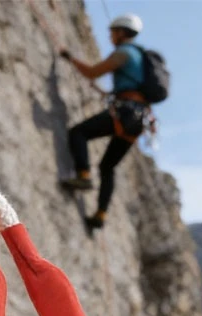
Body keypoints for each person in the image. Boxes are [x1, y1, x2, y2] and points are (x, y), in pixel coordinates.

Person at [59, 13, 149, 231]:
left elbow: (93, 72)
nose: (110, 37)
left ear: (121, 32)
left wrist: (70, 58)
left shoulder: (124, 53)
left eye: (112, 32)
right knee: (108, 166)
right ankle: (100, 214)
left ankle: (83, 175)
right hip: (138, 118)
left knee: (78, 132)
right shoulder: (139, 57)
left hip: (125, 112)